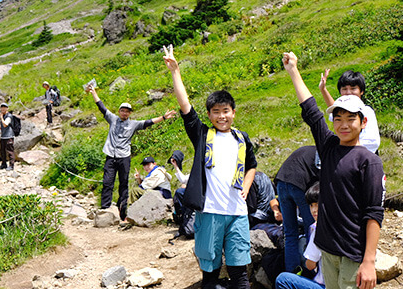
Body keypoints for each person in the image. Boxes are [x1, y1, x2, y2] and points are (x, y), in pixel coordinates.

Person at [283, 52, 385, 289]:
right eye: (338, 118)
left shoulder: (369, 162)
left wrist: (369, 261)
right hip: (328, 250)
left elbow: (374, 213)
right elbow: (311, 111)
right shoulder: (329, 147)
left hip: (352, 253)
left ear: (363, 122)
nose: (344, 124)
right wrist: (293, 71)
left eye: (351, 118)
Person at [164, 44, 257, 289]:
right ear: (209, 114)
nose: (221, 116)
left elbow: (252, 166)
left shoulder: (242, 138)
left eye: (225, 111)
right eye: (216, 112)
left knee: (240, 274)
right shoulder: (203, 135)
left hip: (237, 213)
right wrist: (176, 72)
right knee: (210, 274)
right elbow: (185, 108)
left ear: (233, 112)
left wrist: (246, 186)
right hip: (210, 212)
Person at [86, 84, 177, 222]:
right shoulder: (112, 119)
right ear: (119, 111)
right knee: (107, 182)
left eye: (127, 111)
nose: (124, 113)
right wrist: (93, 92)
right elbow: (101, 106)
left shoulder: (133, 124)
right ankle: (105, 208)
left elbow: (148, 122)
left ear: (130, 113)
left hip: (124, 157)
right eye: (122, 110)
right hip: (111, 155)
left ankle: (123, 212)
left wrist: (163, 117)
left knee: (123, 184)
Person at [275, 146, 320, 273]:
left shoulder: (309, 150)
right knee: (311, 229)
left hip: (281, 183)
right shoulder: (325, 153)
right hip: (299, 184)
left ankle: (292, 273)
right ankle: (310, 271)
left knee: (290, 233)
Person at [275, 182, 325, 289]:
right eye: (311, 205)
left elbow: (310, 264)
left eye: (317, 204)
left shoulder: (318, 229)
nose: (314, 210)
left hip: (325, 285)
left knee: (283, 279)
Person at [319, 69, 380, 154]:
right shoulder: (340, 110)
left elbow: (372, 142)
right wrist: (323, 89)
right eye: (344, 89)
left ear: (361, 91)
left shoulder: (367, 111)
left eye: (353, 88)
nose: (348, 92)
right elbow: (336, 111)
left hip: (363, 157)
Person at [0, 103, 15, 170]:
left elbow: (5, 124)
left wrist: (1, 118)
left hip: (9, 136)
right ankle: (3, 164)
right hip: (3, 136)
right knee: (2, 151)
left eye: (4, 107)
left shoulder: (9, 116)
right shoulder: (4, 115)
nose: (3, 109)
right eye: (1, 107)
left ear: (7, 108)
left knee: (10, 151)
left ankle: (11, 165)